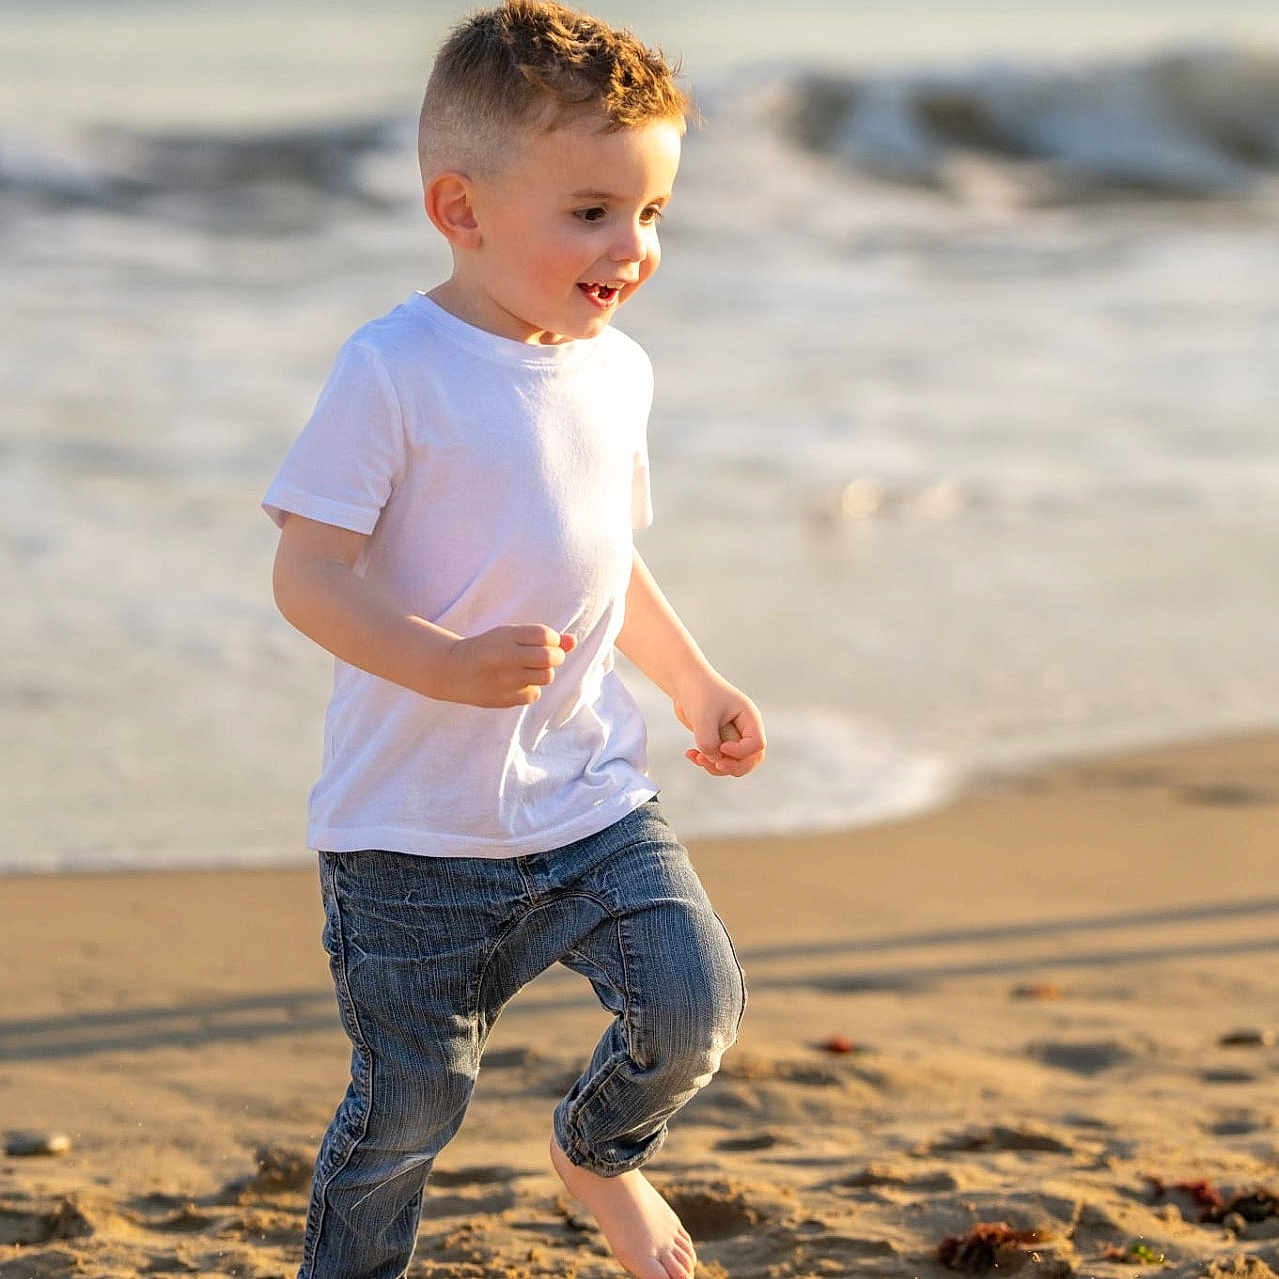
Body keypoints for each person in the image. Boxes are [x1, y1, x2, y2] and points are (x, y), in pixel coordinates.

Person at [262, 3, 766, 1276]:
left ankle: (598, 1156)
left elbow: (608, 559)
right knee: (406, 1116)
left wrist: (695, 682)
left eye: (652, 213)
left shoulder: (616, 371)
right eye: (592, 211)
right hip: (409, 837)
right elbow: (307, 576)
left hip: (589, 795)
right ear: (461, 209)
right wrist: (441, 662)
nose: (633, 247)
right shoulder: (392, 369)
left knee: (691, 1009)